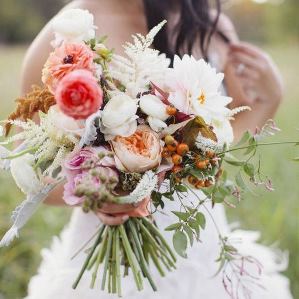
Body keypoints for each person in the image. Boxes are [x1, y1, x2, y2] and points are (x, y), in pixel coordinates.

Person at [21, 0, 292, 298]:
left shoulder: (213, 28)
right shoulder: (68, 31)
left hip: (200, 248)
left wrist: (268, 101)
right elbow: (33, 176)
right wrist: (97, 192)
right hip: (110, 258)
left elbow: (220, 144)